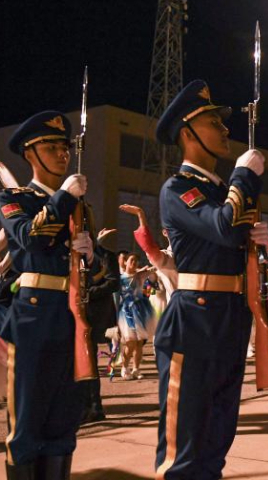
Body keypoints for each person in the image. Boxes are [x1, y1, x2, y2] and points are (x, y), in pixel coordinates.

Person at [152, 79, 268, 479]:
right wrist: (244, 177)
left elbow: (232, 234)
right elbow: (222, 227)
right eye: (213, 123)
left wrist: (257, 241)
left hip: (229, 320)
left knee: (216, 446)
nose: (224, 131)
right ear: (187, 134)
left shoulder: (221, 192)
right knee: (183, 453)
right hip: (194, 324)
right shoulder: (178, 188)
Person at [2, 110, 96, 478]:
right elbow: (30, 238)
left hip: (71, 316)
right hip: (34, 318)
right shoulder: (14, 198)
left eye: (65, 146)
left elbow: (102, 271)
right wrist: (62, 198)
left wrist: (91, 254)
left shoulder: (79, 206)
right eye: (51, 146)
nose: (62, 153)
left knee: (63, 424)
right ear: (30, 154)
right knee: (27, 425)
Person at [83, 227, 121, 423]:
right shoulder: (74, 256)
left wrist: (89, 293)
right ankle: (84, 405)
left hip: (96, 314)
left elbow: (113, 283)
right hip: (77, 313)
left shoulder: (106, 256)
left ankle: (95, 407)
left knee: (89, 362)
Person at [117, 252, 156, 381]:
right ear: (126, 262)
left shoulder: (140, 275)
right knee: (130, 342)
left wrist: (151, 270)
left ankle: (136, 369)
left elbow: (154, 276)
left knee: (139, 342)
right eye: (131, 260)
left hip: (141, 310)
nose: (134, 263)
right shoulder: (120, 278)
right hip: (127, 312)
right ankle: (125, 367)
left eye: (136, 261)